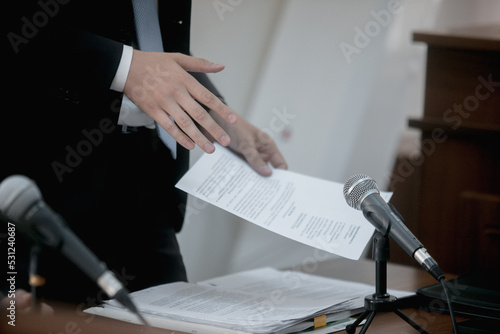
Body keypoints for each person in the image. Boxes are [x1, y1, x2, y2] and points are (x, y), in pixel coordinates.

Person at [1, 0, 286, 308]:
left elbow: (161, 49)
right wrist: (126, 66)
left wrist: (222, 117)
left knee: (170, 325)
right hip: (47, 186)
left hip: (148, 190)